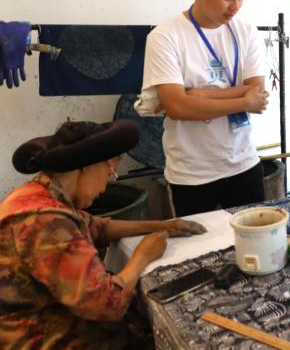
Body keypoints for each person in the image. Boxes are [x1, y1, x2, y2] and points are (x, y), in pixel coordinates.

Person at [0, 120, 207, 348]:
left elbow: (98, 227)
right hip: (36, 337)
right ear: (86, 167)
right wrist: (143, 255)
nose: (105, 186)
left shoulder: (37, 194)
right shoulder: (45, 221)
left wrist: (161, 226)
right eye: (110, 172)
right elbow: (108, 304)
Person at [141, 0, 270, 217]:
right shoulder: (165, 36)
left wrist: (198, 95)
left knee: (254, 240)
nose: (236, 7)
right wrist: (242, 100)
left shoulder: (246, 31)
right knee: (200, 244)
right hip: (191, 175)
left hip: (243, 164)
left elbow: (258, 92)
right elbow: (177, 107)